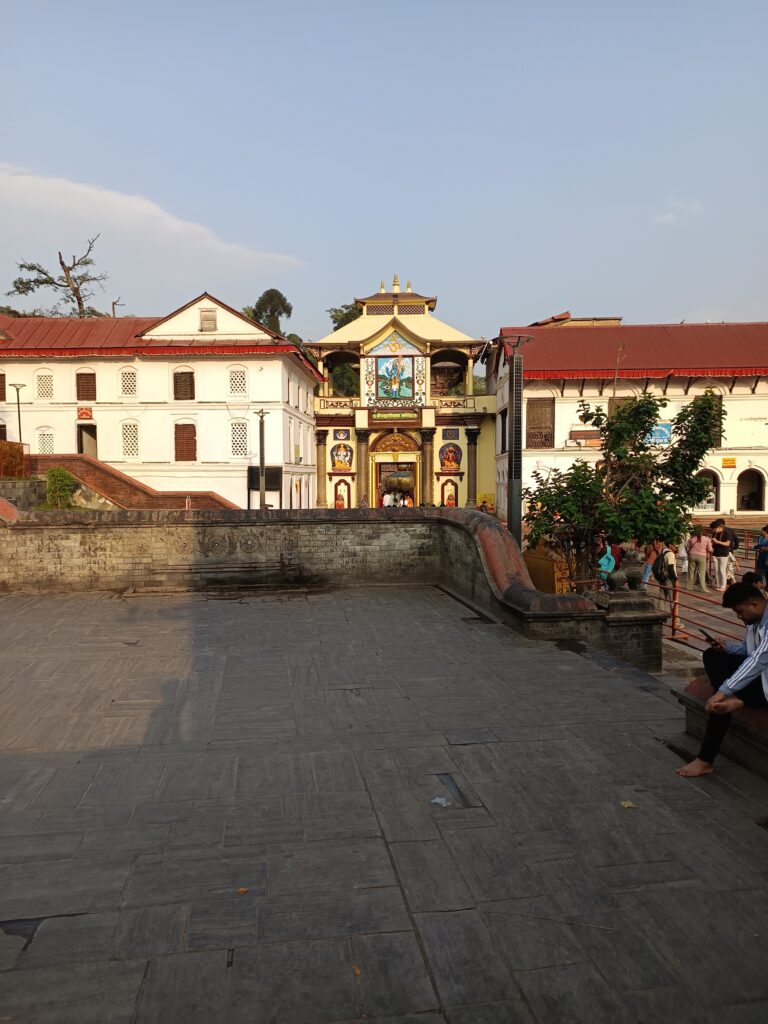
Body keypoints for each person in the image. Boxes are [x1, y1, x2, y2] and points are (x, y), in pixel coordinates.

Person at [677, 582, 768, 777]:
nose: (739, 617)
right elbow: (748, 650)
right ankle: (734, 699)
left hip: (765, 681)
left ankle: (705, 758)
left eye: (740, 612)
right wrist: (726, 647)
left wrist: (722, 691)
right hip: (760, 678)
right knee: (712, 655)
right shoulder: (755, 622)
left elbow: (759, 659)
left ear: (754, 604)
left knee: (724, 692)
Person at [711, 518, 738, 591]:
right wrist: (713, 542)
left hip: (723, 553)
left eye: (714, 529)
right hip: (715, 553)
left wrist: (718, 542)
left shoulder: (727, 532)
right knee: (717, 570)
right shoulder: (715, 533)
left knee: (722, 570)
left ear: (719, 527)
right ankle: (718, 585)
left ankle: (723, 586)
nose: (713, 531)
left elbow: (727, 543)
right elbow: (713, 541)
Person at [652, 541, 678, 618]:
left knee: (662, 598)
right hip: (669, 579)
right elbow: (671, 569)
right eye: (675, 546)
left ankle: (658, 616)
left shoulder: (663, 551)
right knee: (673, 600)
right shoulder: (670, 554)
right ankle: (675, 621)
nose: (676, 548)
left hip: (662, 578)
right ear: (670, 545)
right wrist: (676, 580)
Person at [686, 526, 712, 592]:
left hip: (692, 555)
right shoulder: (707, 539)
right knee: (701, 573)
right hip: (702, 556)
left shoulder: (691, 538)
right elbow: (710, 549)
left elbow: (687, 549)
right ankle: (703, 589)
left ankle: (689, 587)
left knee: (691, 572)